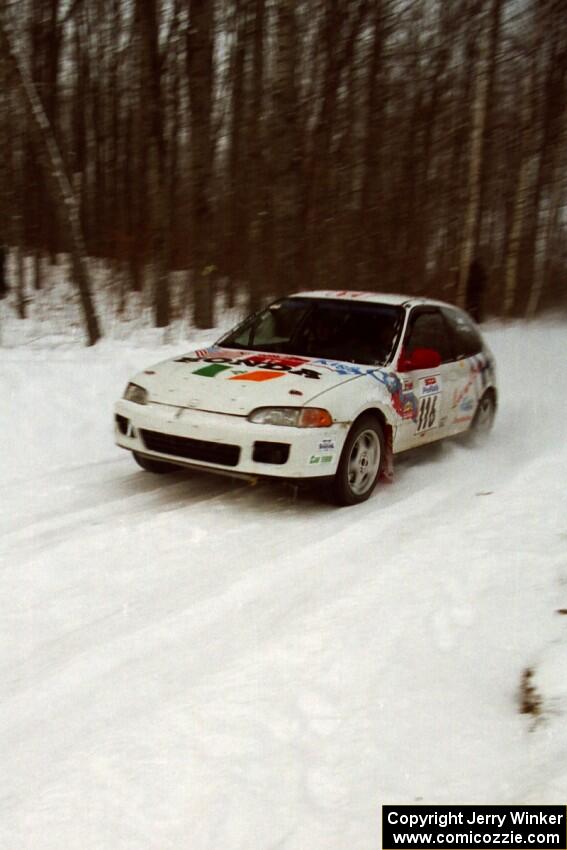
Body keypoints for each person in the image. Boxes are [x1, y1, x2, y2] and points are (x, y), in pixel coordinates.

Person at [465, 258, 486, 323]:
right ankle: (477, 320)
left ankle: (471, 319)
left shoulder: (471, 270)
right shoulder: (481, 270)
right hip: (477, 292)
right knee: (476, 306)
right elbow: (484, 280)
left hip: (471, 291)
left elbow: (469, 281)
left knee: (470, 306)